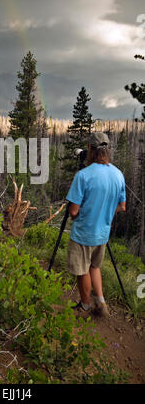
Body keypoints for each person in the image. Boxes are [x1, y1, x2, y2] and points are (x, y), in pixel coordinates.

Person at [66, 132, 126, 318]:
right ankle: (101, 303)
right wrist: (104, 212)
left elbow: (73, 211)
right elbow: (122, 206)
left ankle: (84, 306)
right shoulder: (118, 174)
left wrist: (85, 212)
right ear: (107, 150)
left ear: (90, 149)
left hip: (84, 232)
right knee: (95, 266)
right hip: (103, 232)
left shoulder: (83, 176)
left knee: (82, 270)